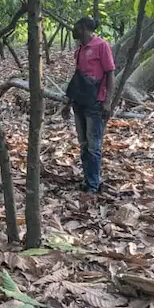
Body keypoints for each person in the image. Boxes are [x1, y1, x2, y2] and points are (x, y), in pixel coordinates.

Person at [62, 17, 115, 193]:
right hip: (80, 102)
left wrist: (107, 101)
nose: (74, 29)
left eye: (76, 26)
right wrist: (68, 103)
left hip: (95, 102)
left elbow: (110, 73)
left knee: (94, 146)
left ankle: (93, 184)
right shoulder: (78, 50)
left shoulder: (101, 46)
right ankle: (87, 180)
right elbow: (78, 79)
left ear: (83, 27)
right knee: (84, 144)